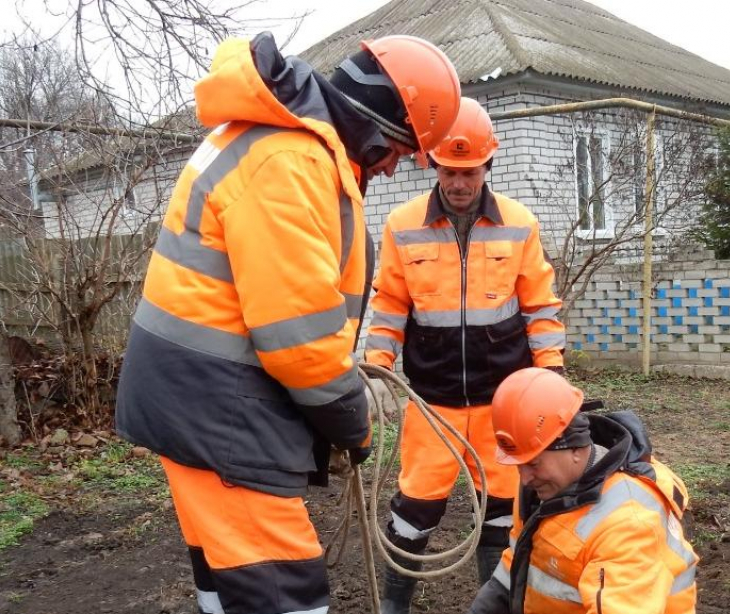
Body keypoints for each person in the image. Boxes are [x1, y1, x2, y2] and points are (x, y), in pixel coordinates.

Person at [115, 31, 460, 614]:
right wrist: (353, 419)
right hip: (222, 416)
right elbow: (297, 340)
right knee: (285, 591)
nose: (396, 168)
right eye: (401, 152)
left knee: (225, 578)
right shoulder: (290, 162)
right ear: (380, 129)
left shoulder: (278, 141)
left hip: (198, 401)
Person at [365, 97, 566, 614]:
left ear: (487, 166)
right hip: (433, 403)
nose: (459, 183)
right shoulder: (402, 224)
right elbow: (389, 304)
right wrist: (379, 370)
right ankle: (394, 606)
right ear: (433, 164)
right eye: (450, 171)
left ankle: (493, 605)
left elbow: (540, 306)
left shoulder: (518, 223)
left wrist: (552, 379)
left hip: (506, 402)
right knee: (414, 509)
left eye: (469, 171)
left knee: (503, 512)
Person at [467, 367, 698, 614]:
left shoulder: (627, 525)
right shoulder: (542, 488)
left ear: (575, 448)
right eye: (518, 464)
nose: (524, 478)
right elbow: (517, 564)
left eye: (533, 464)